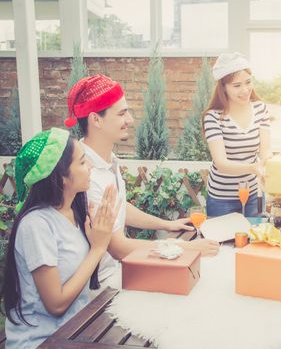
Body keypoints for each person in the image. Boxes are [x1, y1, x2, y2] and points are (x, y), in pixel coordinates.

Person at [64, 75, 219, 294]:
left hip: (117, 273)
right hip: (99, 290)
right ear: (95, 120)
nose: (130, 120)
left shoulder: (108, 161)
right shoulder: (87, 174)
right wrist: (185, 247)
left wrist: (166, 225)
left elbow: (118, 209)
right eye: (121, 113)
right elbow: (119, 248)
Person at [1, 128, 119, 348]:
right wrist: (97, 249)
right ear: (61, 177)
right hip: (41, 341)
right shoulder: (36, 225)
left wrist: (98, 237)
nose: (91, 166)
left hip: (74, 331)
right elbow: (56, 304)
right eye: (83, 162)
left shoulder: (74, 212)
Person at [202, 52, 272, 217]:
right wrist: (252, 168)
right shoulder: (213, 117)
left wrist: (269, 164)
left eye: (248, 82)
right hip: (221, 199)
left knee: (252, 241)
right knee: (223, 243)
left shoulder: (260, 109)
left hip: (251, 194)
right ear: (223, 88)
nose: (245, 90)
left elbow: (265, 151)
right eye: (237, 85)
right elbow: (221, 163)